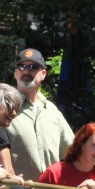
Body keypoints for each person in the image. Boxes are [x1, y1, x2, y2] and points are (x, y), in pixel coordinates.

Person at [7, 48, 74, 181]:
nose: (26, 71)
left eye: (33, 67)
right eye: (21, 66)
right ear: (15, 73)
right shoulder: (3, 106)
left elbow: (75, 152)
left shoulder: (52, 111)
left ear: (43, 74)